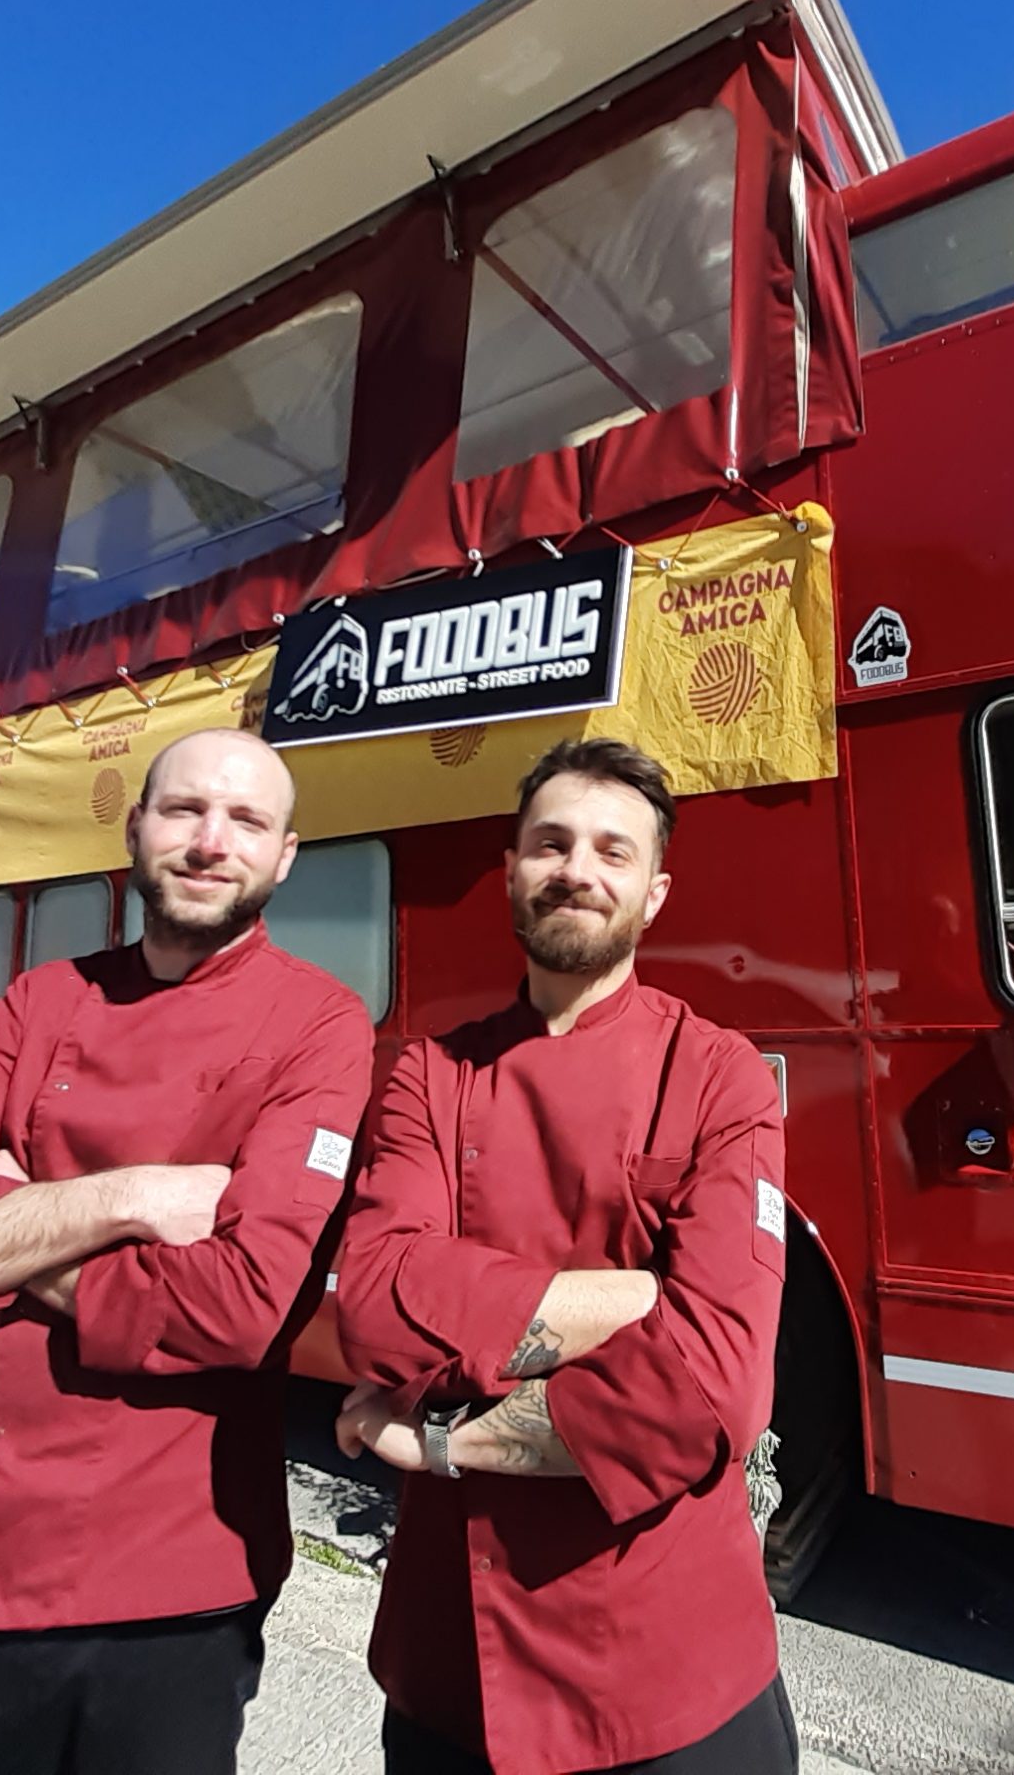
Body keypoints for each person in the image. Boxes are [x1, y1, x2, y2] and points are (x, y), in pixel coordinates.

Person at [0, 728, 375, 1775]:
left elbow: (237, 1307)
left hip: (175, 1574)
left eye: (246, 822)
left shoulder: (319, 1025)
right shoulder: (40, 1003)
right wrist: (130, 1198)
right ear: (135, 828)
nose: (211, 842)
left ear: (283, 857)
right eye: (184, 811)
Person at [332, 738, 796, 1775]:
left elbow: (719, 1392)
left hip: (670, 1675)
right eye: (551, 843)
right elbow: (371, 1304)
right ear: (510, 870)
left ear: (654, 893)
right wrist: (639, 1299)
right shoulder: (429, 1075)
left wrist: (446, 1441)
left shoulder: (719, 1077)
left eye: (612, 851)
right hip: (455, 1667)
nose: (577, 869)